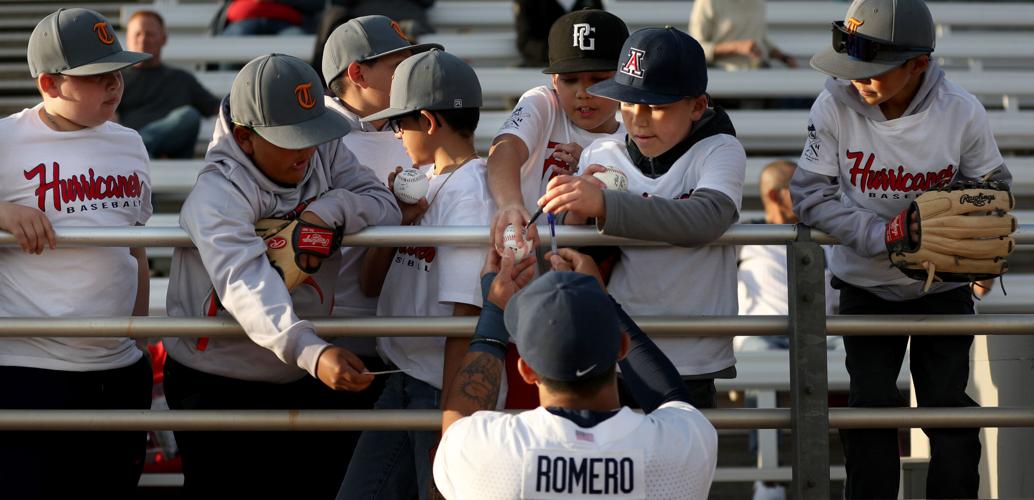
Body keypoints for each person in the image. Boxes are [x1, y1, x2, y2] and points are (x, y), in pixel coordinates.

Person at [790, 0, 1012, 497]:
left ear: (919, 64)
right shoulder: (832, 104)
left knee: (947, 410)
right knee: (869, 411)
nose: (858, 80)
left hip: (943, 284)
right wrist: (886, 235)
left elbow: (996, 188)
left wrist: (971, 229)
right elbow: (809, 197)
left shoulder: (960, 110)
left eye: (873, 70)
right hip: (864, 284)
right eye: (850, 66)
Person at [162, 54, 400, 500]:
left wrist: (329, 210)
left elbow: (384, 204)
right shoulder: (217, 192)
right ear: (245, 138)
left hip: (300, 375)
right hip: (218, 383)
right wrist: (311, 351)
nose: (307, 149)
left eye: (312, 131)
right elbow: (246, 284)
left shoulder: (323, 147)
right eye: (291, 138)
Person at [539, 27, 747, 409]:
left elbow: (707, 218)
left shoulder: (720, 149)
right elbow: (579, 254)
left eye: (657, 105)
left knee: (684, 447)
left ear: (697, 106)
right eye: (629, 102)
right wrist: (576, 214)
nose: (639, 119)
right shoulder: (603, 151)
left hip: (692, 353)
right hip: (614, 346)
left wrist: (606, 205)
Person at [0, 8, 153, 498]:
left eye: (117, 72)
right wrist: (1, 212)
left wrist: (139, 339)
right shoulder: (6, 139)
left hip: (120, 367)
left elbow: (135, 248)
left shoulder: (130, 141)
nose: (114, 84)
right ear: (48, 83)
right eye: (95, 76)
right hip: (32, 368)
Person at [434, 248, 718, 499]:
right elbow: (675, 401)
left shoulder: (488, 452)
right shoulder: (682, 448)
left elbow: (456, 425)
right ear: (622, 347)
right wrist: (603, 301)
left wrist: (494, 314)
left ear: (527, 370)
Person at [336, 49, 492, 500]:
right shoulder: (425, 182)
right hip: (402, 377)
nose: (395, 133)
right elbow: (370, 284)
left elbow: (465, 322)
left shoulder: (472, 195)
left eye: (398, 123)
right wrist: (399, 222)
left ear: (427, 120)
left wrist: (453, 430)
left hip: (439, 392)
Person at [489, 9, 628, 251]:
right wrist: (510, 203)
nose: (582, 92)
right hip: (524, 262)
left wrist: (586, 163)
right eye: (569, 79)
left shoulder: (637, 136)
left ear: (623, 77)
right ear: (554, 80)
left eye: (598, 79)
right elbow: (505, 148)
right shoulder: (544, 103)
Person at [119, 10, 221, 159]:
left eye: (149, 34)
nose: (143, 39)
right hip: (133, 155)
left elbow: (217, 108)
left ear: (164, 39)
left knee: (189, 116)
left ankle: (137, 148)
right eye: (137, 34)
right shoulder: (116, 81)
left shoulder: (182, 79)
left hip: (166, 157)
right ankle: (141, 150)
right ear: (128, 39)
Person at [689, 0, 796, 71]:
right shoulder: (707, 2)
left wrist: (783, 57)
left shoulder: (758, 2)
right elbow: (695, 49)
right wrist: (737, 47)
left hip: (760, 72)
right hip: (724, 76)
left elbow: (760, 38)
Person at [514, 0, 604, 67]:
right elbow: (526, 42)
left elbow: (600, 33)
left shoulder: (593, 1)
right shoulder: (528, 2)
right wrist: (564, 55)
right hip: (543, 65)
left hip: (589, 64)